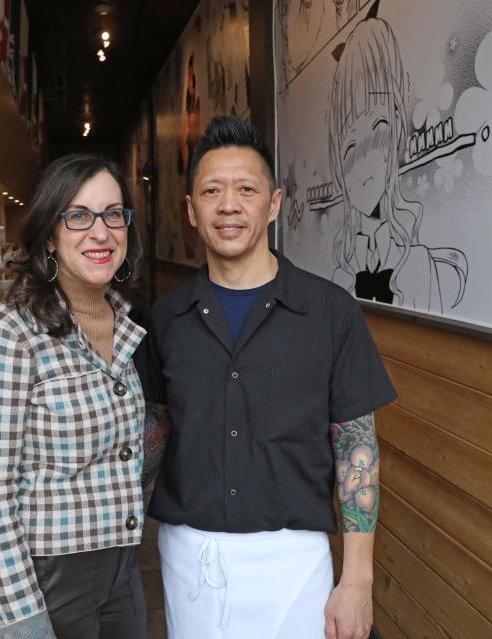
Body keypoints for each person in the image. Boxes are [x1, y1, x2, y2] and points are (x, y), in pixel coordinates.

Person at [138, 116, 397, 639]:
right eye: (211, 190)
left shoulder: (329, 313)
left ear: (273, 203)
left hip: (295, 561)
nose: (228, 205)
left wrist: (357, 581)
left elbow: (356, 451)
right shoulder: (166, 321)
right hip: (192, 557)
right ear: (191, 210)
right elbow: (154, 435)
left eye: (246, 189)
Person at [0, 154, 148, 639]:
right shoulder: (9, 334)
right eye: (78, 216)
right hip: (49, 575)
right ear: (50, 234)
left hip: (122, 562)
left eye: (114, 214)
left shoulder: (124, 322)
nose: (100, 231)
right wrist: (24, 622)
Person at [327, 16, 467, 312]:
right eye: (351, 146)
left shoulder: (416, 267)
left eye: (379, 129)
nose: (364, 161)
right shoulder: (339, 281)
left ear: (397, 131)